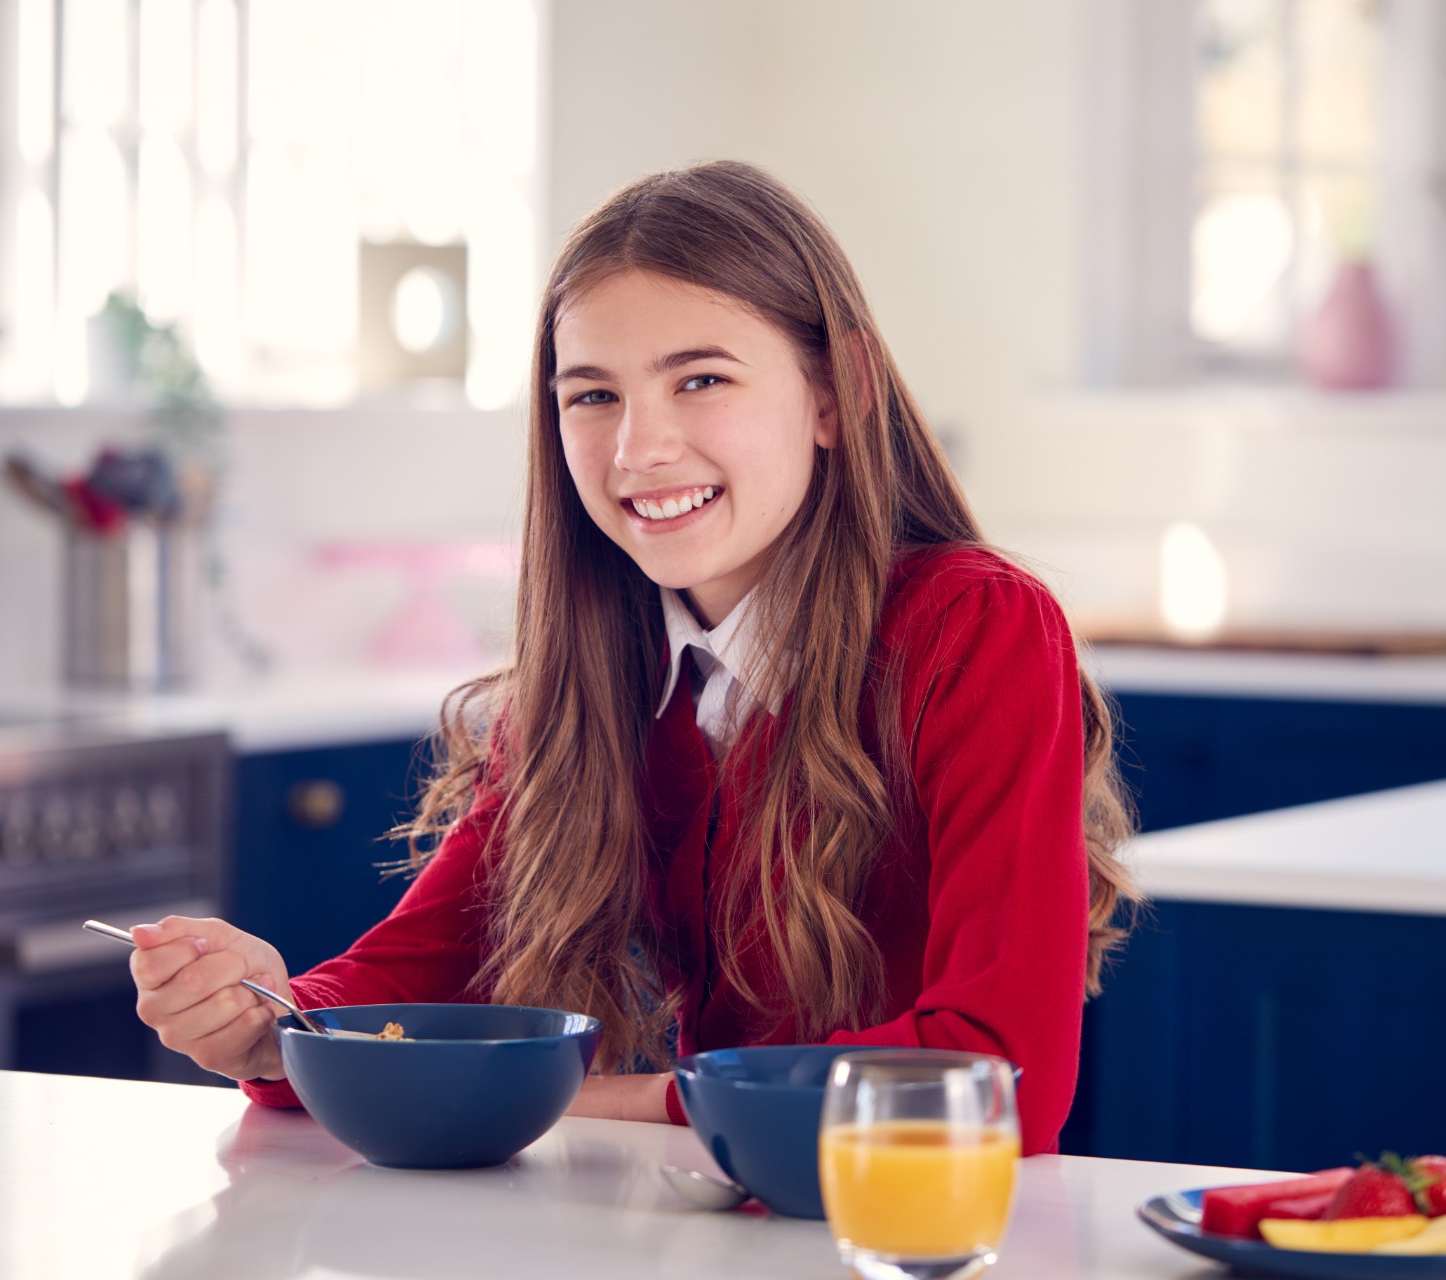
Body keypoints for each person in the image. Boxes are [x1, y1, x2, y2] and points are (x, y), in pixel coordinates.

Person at [127, 160, 1136, 1154]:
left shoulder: (978, 630)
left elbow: (998, 1078)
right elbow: (410, 980)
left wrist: (596, 1100)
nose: (637, 449)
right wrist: (270, 1022)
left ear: (839, 392)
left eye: (701, 380)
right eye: (593, 396)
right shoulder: (592, 685)